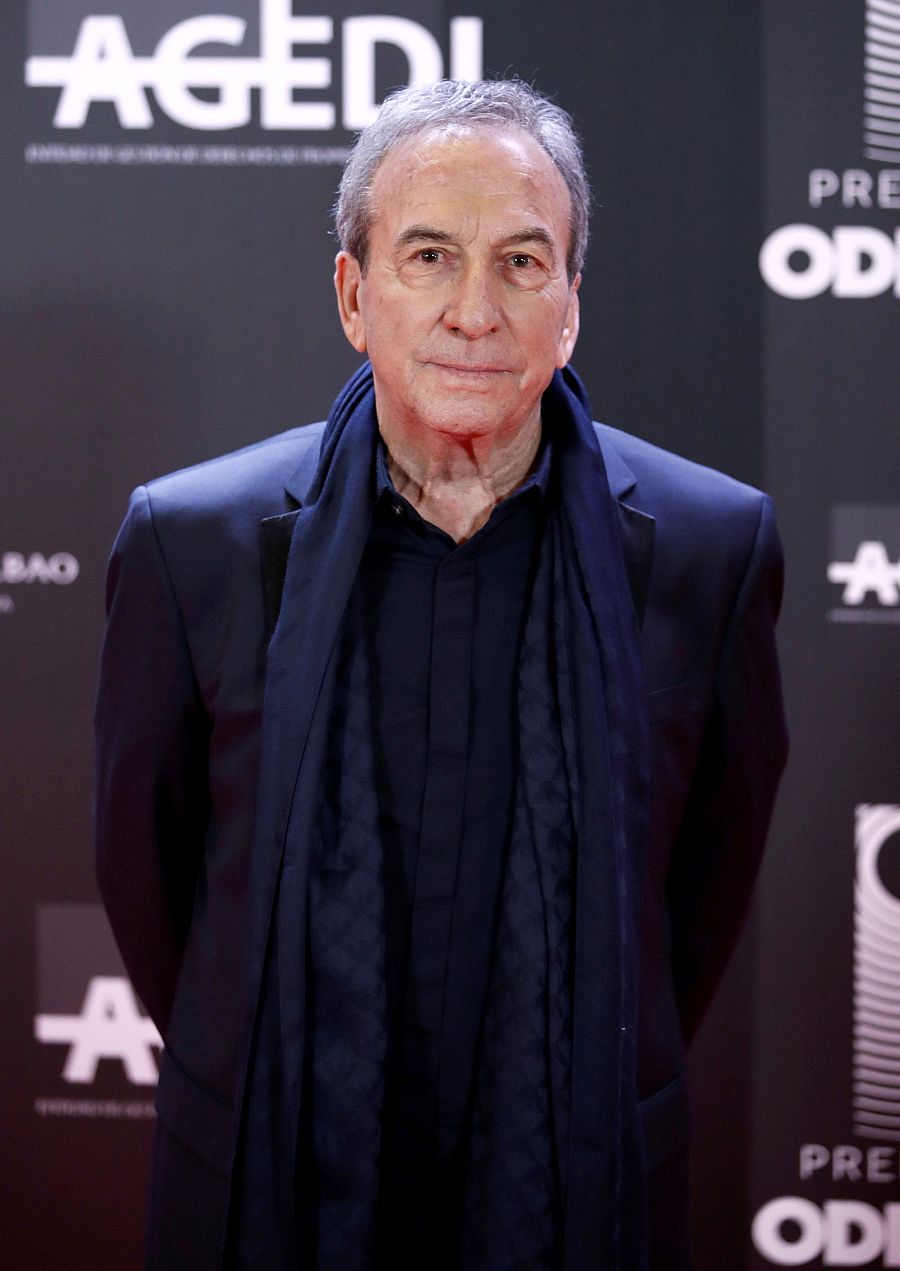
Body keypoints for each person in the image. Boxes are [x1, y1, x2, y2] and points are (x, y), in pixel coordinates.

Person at [94, 79, 787, 1271]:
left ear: (570, 307)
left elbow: (701, 893)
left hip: (579, 1179)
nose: (477, 310)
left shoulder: (711, 546)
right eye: (430, 256)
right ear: (355, 295)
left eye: (523, 261)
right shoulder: (190, 542)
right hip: (269, 1176)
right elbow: (147, 873)